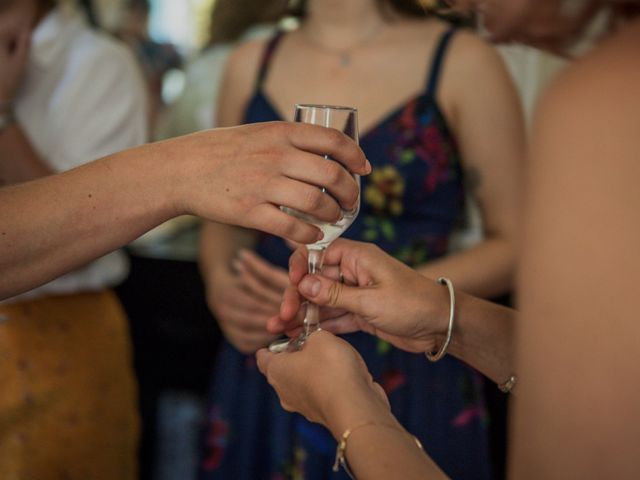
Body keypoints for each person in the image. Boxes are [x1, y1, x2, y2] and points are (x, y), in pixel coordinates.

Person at [257, 0, 640, 478]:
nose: (447, 4)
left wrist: (351, 409)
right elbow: (599, 379)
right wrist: (443, 316)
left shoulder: (609, 98)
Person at [198, 0, 524, 478]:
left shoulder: (464, 59)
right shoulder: (249, 62)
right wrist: (223, 290)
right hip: (272, 347)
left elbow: (518, 243)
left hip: (412, 356)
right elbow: (222, 222)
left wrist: (385, 299)